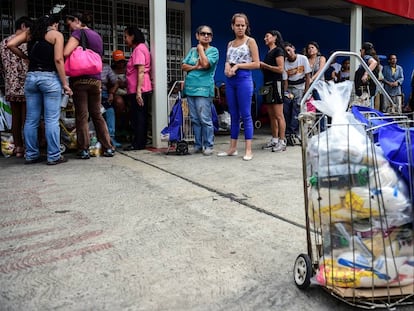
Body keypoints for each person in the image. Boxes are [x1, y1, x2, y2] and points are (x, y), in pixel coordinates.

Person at [7, 14, 72, 165]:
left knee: (31, 120)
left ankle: (31, 155)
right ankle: (54, 156)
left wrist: (25, 57)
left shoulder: (31, 33)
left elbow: (10, 44)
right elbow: (58, 59)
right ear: (54, 24)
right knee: (51, 119)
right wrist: (65, 83)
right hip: (49, 78)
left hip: (31, 78)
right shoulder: (56, 35)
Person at [64, 12, 115, 159]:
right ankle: (108, 147)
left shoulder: (78, 33)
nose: (70, 28)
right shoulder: (97, 36)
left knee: (82, 115)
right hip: (96, 80)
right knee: (97, 114)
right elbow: (99, 57)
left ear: (77, 21)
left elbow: (66, 52)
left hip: (80, 80)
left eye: (70, 24)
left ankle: (84, 149)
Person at [218, 13, 260, 161]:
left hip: (244, 78)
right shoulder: (230, 43)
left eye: (243, 25)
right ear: (232, 26)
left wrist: (238, 66)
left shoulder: (250, 41)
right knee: (233, 114)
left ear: (246, 26)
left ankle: (248, 150)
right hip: (230, 80)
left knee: (246, 114)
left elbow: (256, 63)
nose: (240, 28)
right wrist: (226, 68)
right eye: (238, 25)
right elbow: (227, 61)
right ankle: (232, 148)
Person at [182, 25, 219, 156]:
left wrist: (200, 50)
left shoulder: (213, 51)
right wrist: (195, 67)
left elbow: (205, 64)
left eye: (209, 34)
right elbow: (183, 66)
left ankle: (208, 145)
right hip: (190, 89)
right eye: (203, 33)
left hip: (204, 90)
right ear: (197, 36)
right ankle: (198, 145)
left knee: (205, 119)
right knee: (195, 119)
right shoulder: (191, 51)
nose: (206, 36)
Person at [0, 16, 33, 158]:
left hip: (10, 85)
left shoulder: (3, 43)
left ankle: (18, 147)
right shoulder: (25, 42)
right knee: (27, 118)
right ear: (24, 26)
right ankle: (28, 147)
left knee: (15, 118)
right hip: (26, 85)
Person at [122, 26, 153, 151]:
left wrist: (138, 92)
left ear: (132, 36)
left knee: (138, 118)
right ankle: (140, 142)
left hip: (140, 89)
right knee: (140, 116)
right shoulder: (140, 49)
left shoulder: (139, 50)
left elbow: (140, 71)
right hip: (139, 88)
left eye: (126, 37)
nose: (125, 39)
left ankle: (138, 143)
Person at [259, 30, 286, 152]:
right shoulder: (268, 52)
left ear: (274, 38)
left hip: (276, 84)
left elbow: (280, 69)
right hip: (267, 85)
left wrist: (265, 66)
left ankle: (282, 141)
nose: (265, 38)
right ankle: (274, 139)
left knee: (279, 115)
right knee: (271, 115)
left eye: (267, 36)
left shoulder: (278, 51)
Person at [283, 42, 311, 146]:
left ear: (293, 48)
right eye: (286, 51)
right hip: (290, 87)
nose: (288, 53)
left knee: (297, 109)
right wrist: (285, 93)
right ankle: (288, 133)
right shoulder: (285, 63)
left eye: (289, 50)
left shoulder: (303, 59)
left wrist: (306, 91)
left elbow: (308, 76)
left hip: (301, 87)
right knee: (287, 110)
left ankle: (295, 133)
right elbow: (285, 81)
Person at [101, 62, 122, 148]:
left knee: (110, 110)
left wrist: (111, 93)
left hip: (104, 93)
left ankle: (111, 137)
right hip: (91, 93)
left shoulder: (106, 67)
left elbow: (116, 81)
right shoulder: (87, 65)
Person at [354, 41, 379, 108]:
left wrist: (366, 74)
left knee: (366, 107)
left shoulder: (366, 57)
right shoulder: (368, 59)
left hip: (366, 90)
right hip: (368, 90)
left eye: (360, 50)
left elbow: (374, 62)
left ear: (363, 50)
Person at [111, 49, 129, 139]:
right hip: (116, 93)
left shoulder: (128, 69)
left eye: (122, 61)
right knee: (119, 102)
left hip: (128, 92)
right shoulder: (111, 70)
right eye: (118, 62)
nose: (120, 64)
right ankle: (119, 127)